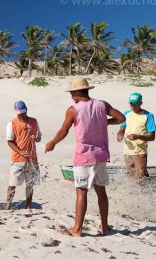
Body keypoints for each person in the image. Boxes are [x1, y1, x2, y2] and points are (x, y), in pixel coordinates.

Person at [45, 77, 125, 237]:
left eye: (71, 93)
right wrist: (104, 122)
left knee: (81, 192)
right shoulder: (102, 104)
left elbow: (63, 131)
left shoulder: (73, 109)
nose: (71, 96)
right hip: (101, 155)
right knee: (101, 191)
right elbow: (122, 119)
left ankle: (77, 229)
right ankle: (105, 227)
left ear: (76, 92)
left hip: (84, 156)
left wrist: (52, 142)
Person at [6, 100, 42, 210]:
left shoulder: (34, 121)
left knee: (30, 184)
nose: (22, 114)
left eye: (24, 112)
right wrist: (20, 152)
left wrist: (37, 138)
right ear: (16, 112)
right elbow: (9, 141)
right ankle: (8, 205)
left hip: (32, 159)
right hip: (18, 159)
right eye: (20, 113)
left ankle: (28, 206)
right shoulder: (11, 123)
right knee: (13, 183)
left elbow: (39, 137)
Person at [117, 92, 156, 182]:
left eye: (135, 104)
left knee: (139, 178)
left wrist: (138, 136)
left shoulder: (148, 116)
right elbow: (121, 129)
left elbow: (152, 137)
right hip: (127, 151)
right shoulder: (126, 114)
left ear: (141, 103)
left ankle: (143, 194)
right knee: (131, 178)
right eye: (131, 103)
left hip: (140, 152)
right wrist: (119, 135)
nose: (132, 106)